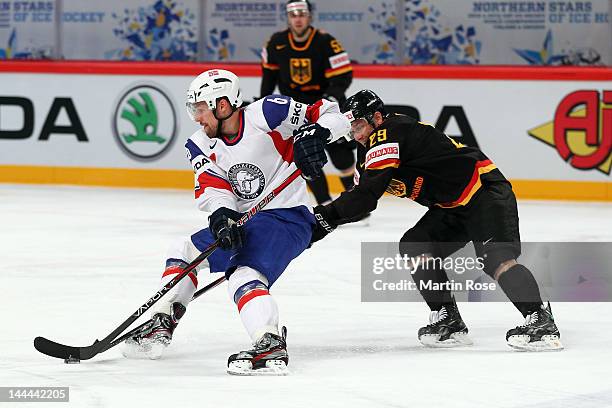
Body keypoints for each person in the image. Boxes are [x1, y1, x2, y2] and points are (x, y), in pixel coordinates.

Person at [293, 89, 563, 351]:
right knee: (416, 245)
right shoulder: (366, 153)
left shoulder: (388, 132)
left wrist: (320, 220)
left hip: (483, 190)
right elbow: (358, 199)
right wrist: (323, 222)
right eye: (351, 128)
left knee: (496, 258)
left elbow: (365, 197)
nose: (356, 134)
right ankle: (449, 319)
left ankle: (540, 319)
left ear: (377, 118)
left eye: (360, 124)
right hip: (451, 205)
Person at [121, 69, 350, 375]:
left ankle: (269, 342)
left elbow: (332, 113)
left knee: (243, 273)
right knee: (184, 250)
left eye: (201, 109)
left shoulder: (268, 113)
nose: (197, 118)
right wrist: (222, 216)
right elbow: (214, 187)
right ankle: (162, 322)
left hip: (287, 217)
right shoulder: (199, 144)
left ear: (223, 105)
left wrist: (319, 133)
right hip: (247, 221)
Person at [260, 0, 357, 207]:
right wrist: (263, 102)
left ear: (309, 16)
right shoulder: (275, 42)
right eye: (293, 14)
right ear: (287, 17)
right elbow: (268, 77)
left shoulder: (326, 42)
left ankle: (354, 201)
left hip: (324, 104)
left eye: (302, 13)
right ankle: (324, 203)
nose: (298, 18)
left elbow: (343, 75)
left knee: (341, 156)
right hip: (293, 109)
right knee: (305, 154)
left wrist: (332, 96)